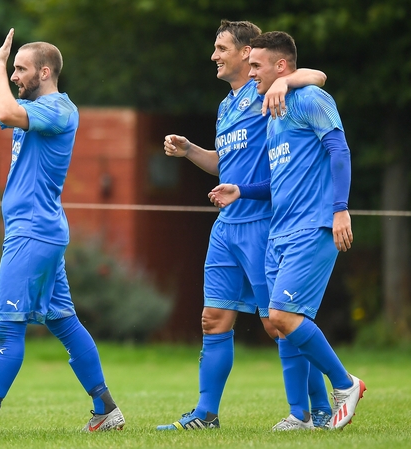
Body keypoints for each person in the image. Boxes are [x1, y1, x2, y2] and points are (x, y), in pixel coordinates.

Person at [0, 27, 124, 435]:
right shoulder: (33, 110)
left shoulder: (57, 109)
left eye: (21, 70)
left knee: (8, 326)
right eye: (13, 70)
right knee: (63, 321)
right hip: (38, 231)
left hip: (32, 234)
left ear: (44, 72)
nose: (13, 78)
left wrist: (0, 61)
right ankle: (106, 410)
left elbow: (6, 112)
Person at [157, 20, 331, 431]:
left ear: (247, 53)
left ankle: (318, 408)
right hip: (227, 226)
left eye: (221, 48)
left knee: (278, 323)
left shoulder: (270, 91)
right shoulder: (227, 104)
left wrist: (282, 84)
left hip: (263, 223)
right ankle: (205, 414)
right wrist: (190, 151)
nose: (214, 55)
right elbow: (225, 164)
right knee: (213, 319)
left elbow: (318, 76)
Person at [208, 31, 365, 431]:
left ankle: (346, 385)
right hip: (279, 231)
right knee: (280, 323)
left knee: (282, 315)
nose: (252, 72)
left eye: (257, 65)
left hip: (312, 227)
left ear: (281, 66)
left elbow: (339, 150)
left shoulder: (309, 99)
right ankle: (303, 416)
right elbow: (279, 182)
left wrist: (340, 210)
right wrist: (242, 189)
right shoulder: (274, 111)